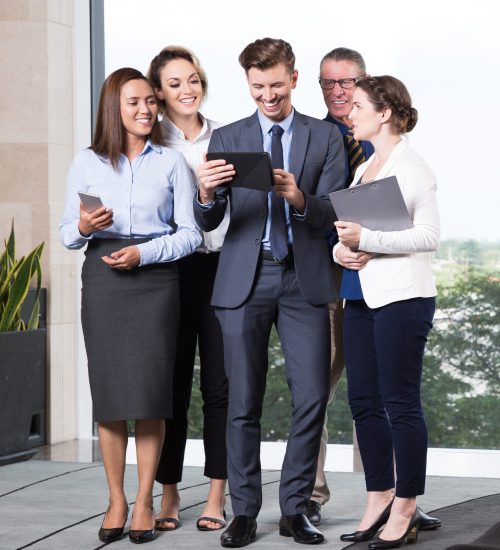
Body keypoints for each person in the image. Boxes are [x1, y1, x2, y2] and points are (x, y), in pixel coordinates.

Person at [195, 38, 345, 547]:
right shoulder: (230, 136)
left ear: (294, 79)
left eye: (276, 84)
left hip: (304, 280)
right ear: (248, 85)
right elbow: (209, 220)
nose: (268, 95)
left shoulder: (324, 137)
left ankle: (296, 508)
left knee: (311, 398)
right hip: (245, 276)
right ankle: (244, 512)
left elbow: (333, 210)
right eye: (258, 86)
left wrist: (299, 197)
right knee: (242, 401)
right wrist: (206, 192)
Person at [59, 67, 201, 545]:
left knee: (150, 396)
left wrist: (147, 252)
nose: (145, 110)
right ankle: (116, 498)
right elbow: (66, 234)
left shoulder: (171, 163)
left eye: (149, 102)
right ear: (113, 110)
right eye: (133, 103)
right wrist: (83, 227)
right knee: (113, 397)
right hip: (103, 276)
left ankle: (144, 501)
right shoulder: (86, 163)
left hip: (156, 280)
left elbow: (190, 234)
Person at [311, 47, 441, 534]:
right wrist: (341, 252)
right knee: (363, 400)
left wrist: (369, 240)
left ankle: (405, 504)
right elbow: (348, 234)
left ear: (384, 113)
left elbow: (428, 237)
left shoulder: (414, 169)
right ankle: (379, 495)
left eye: (360, 108)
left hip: (403, 300)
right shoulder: (364, 169)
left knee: (400, 403)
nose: (351, 115)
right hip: (361, 295)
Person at [146, 46, 228, 532]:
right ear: (158, 92)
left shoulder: (229, 137)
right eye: (174, 83)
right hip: (171, 273)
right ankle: (170, 492)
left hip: (223, 270)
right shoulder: (151, 144)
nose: (187, 90)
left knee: (220, 388)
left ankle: (217, 493)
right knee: (171, 387)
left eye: (193, 79)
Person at [308, 46, 374, 526]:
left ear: (364, 84)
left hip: (380, 281)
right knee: (316, 392)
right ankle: (311, 494)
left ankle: (393, 495)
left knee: (383, 396)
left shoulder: (382, 137)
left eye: (346, 83)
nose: (336, 92)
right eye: (327, 83)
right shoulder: (312, 139)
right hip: (330, 283)